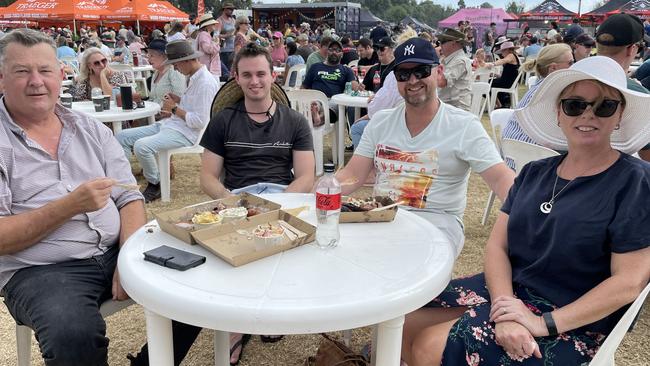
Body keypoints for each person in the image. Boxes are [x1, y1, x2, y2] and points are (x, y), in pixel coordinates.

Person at [401, 55, 650, 366]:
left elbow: (629, 282)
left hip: (573, 318)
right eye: (575, 104)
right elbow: (497, 245)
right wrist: (505, 306)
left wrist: (540, 322)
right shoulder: (535, 173)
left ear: (619, 115)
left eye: (604, 106)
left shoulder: (634, 181)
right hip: (511, 291)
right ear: (559, 112)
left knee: (428, 345)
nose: (588, 114)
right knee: (401, 323)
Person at [128, 43, 314, 366]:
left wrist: (275, 208)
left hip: (283, 197)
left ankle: (262, 316)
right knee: (207, 271)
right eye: (247, 75)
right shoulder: (223, 121)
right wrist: (234, 204)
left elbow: (307, 177)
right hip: (236, 199)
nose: (255, 81)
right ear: (236, 79)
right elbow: (208, 178)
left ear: (273, 76)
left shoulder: (295, 121)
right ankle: (234, 327)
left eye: (261, 74)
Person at [0, 28, 146, 366]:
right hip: (40, 270)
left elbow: (130, 198)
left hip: (114, 250)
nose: (36, 81)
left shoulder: (90, 127)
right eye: (22, 71)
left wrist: (129, 257)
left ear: (60, 75)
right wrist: (69, 206)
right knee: (72, 333)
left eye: (45, 70)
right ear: (2, 79)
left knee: (194, 277)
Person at [335, 37, 514, 257]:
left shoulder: (463, 125)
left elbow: (500, 178)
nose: (412, 80)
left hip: (437, 227)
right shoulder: (381, 122)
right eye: (403, 74)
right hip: (381, 220)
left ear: (438, 72)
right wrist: (323, 190)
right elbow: (353, 174)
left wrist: (527, 211)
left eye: (421, 71)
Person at [116, 40, 220, 202]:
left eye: (176, 65)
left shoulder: (205, 82)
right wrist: (178, 100)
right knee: (122, 136)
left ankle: (155, 182)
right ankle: (125, 181)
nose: (175, 69)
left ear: (186, 60)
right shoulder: (194, 77)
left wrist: (173, 108)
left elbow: (199, 121)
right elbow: (193, 107)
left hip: (187, 133)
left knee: (141, 146)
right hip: (173, 126)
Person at [596, 13, 650, 161]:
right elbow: (647, 157)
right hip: (608, 179)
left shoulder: (566, 80)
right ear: (632, 49)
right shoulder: (637, 93)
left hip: (555, 174)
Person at [502, 43, 574, 148]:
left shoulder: (540, 86)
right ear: (553, 67)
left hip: (513, 151)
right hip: (529, 154)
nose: (574, 66)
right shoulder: (552, 92)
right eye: (570, 63)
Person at [144, 39, 186, 109]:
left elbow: (179, 99)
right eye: (148, 55)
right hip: (153, 113)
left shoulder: (174, 71)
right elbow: (152, 98)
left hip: (169, 115)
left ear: (164, 56)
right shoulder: (156, 73)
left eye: (152, 55)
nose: (148, 59)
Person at [437, 28, 472, 111]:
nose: (440, 45)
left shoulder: (459, 61)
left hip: (455, 110)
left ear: (453, 43)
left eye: (442, 41)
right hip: (447, 106)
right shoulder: (450, 59)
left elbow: (441, 82)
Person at [486, 41, 521, 108]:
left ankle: (499, 104)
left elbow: (503, 61)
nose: (501, 54)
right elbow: (509, 74)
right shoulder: (515, 56)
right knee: (491, 82)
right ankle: (500, 103)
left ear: (507, 50)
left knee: (487, 84)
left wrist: (493, 64)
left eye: (502, 51)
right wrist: (496, 75)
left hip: (507, 83)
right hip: (509, 81)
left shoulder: (511, 55)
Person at [196, 12, 222, 81]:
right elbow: (209, 50)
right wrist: (216, 43)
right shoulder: (204, 34)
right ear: (207, 25)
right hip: (209, 69)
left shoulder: (204, 34)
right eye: (212, 23)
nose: (214, 24)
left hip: (209, 68)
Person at [216, 2, 236, 69]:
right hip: (224, 51)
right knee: (226, 73)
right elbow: (216, 36)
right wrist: (227, 35)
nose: (232, 11)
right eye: (230, 9)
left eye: (232, 9)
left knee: (232, 71)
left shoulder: (233, 20)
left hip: (233, 49)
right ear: (224, 10)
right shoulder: (219, 21)